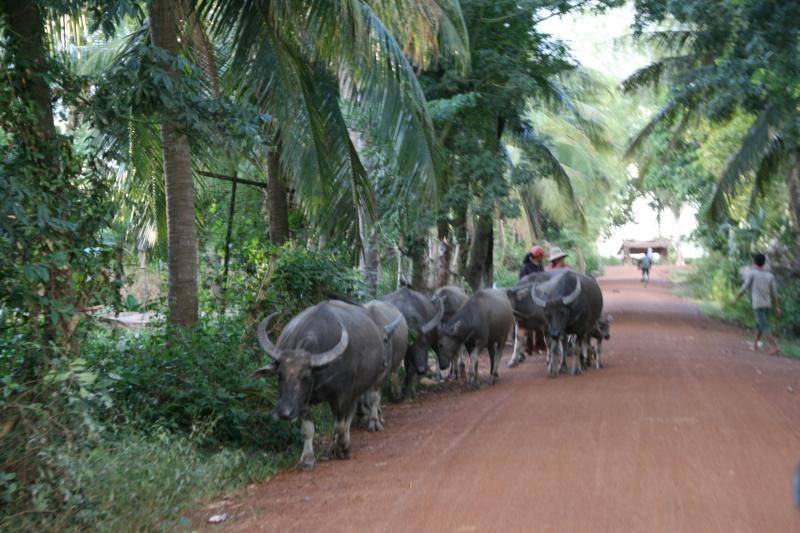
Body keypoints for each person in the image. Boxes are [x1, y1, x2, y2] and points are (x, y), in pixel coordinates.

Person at [733, 253, 782, 355]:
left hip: (758, 304)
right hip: (767, 304)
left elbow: (744, 288)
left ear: (754, 262)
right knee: (759, 325)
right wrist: (777, 307)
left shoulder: (752, 273)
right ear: (764, 263)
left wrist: (736, 299)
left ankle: (775, 346)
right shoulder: (770, 276)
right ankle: (754, 345)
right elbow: (775, 293)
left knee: (764, 325)